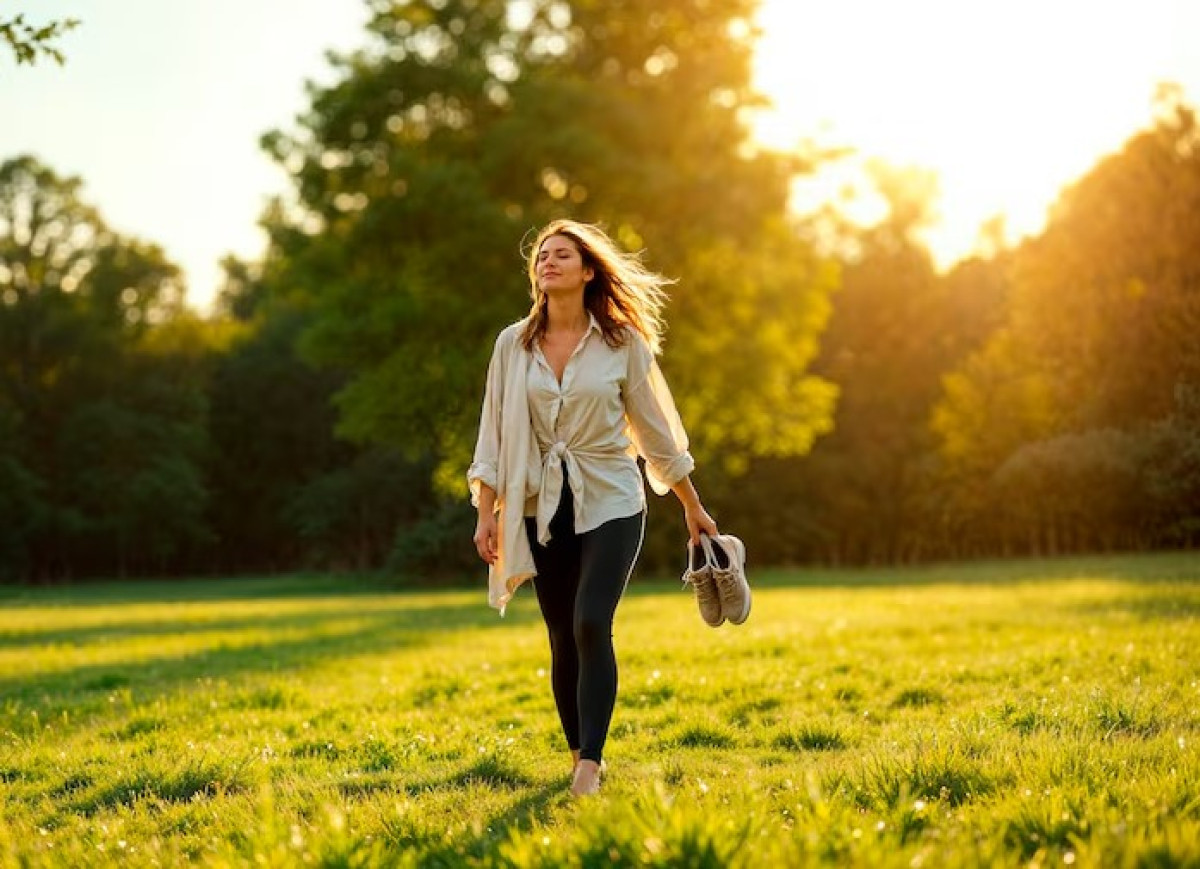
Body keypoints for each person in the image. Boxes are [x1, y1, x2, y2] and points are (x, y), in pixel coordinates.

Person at [467, 219, 720, 797]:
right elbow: (493, 435)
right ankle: (579, 750)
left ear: (587, 271)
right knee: (560, 633)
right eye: (542, 256)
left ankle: (591, 765)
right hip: (539, 501)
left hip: (611, 495)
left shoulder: (622, 343)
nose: (548, 262)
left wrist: (691, 505)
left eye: (562, 255)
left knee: (590, 621)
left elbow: (655, 432)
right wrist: (487, 512)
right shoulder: (513, 344)